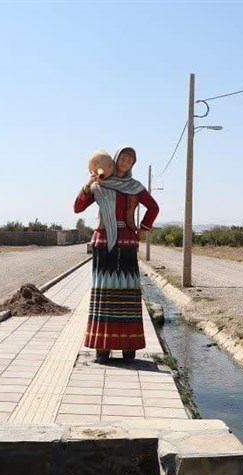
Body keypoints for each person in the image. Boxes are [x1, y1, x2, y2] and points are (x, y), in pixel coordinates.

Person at [74, 146, 159, 363]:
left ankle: (128, 349)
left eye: (131, 159)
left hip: (128, 243)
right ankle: (102, 348)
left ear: (133, 164)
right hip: (104, 243)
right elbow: (77, 207)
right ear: (115, 159)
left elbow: (153, 208)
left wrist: (144, 229)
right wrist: (88, 184)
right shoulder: (99, 185)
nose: (126, 161)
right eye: (123, 157)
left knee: (128, 296)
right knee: (104, 295)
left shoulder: (135, 187)